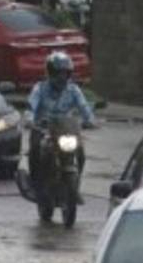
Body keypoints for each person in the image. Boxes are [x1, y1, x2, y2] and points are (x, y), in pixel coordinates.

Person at [27, 51, 96, 195]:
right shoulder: (40, 88)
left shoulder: (73, 90)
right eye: (58, 73)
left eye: (65, 73)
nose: (61, 77)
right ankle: (35, 183)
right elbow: (31, 106)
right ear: (50, 73)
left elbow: (83, 106)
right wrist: (30, 119)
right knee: (35, 149)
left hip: (65, 129)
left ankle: (75, 184)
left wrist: (89, 120)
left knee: (81, 152)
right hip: (44, 130)